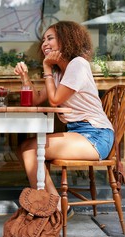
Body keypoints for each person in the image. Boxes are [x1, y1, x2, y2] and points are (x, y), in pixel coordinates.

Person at [13, 21, 114, 213]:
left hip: (95, 135)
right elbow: (36, 100)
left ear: (67, 40)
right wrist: (25, 77)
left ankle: (52, 208)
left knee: (31, 150)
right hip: (78, 133)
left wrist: (46, 68)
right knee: (24, 147)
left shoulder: (78, 65)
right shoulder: (60, 73)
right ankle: (56, 205)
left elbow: (54, 99)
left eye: (50, 38)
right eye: (43, 40)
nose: (44, 44)